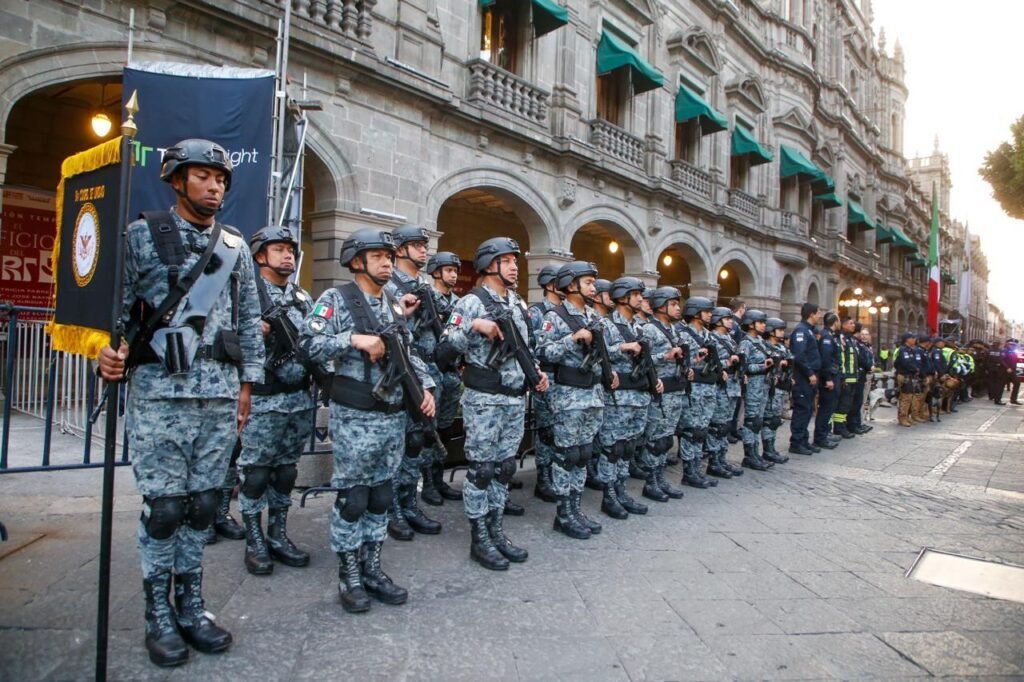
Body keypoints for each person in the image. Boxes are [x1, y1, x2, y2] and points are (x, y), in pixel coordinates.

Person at [97, 139, 264, 666]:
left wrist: (247, 385)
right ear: (176, 180)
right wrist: (106, 351)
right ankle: (158, 611)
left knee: (203, 505)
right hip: (160, 393)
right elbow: (116, 309)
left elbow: (249, 319)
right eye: (203, 176)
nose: (215, 186)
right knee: (166, 508)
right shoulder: (141, 236)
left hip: (218, 394)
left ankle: (191, 604)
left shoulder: (234, 247)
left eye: (221, 179)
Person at [300, 228, 435, 613]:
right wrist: (352, 340)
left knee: (380, 496)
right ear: (356, 261)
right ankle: (350, 574)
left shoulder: (392, 302)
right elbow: (306, 344)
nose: (387, 262)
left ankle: (372, 567)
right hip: (356, 416)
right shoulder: (336, 299)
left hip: (392, 418)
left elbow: (407, 352)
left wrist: (425, 386)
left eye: (389, 256)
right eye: (377, 256)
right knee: (354, 498)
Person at [440, 238, 548, 569]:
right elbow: (444, 349)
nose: (515, 266)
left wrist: (536, 373)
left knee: (504, 468)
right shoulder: (471, 302)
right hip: (484, 400)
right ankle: (479, 537)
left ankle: (496, 529)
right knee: (482, 470)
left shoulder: (516, 301)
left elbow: (525, 347)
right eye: (507, 261)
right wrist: (473, 326)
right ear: (490, 265)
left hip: (514, 399)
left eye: (515, 261)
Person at [237, 226, 318, 576]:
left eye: (290, 250)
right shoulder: (248, 295)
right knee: (256, 473)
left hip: (298, 399)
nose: (288, 256)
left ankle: (278, 533)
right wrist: (252, 332)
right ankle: (254, 539)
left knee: (286, 472)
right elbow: (224, 342)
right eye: (279, 249)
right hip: (263, 400)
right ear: (260, 256)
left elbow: (315, 339)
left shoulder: (302, 297)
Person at [537, 261, 613, 539]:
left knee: (582, 454)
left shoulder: (594, 317)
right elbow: (542, 352)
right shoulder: (555, 316)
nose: (594, 287)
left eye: (594, 282)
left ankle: (576, 508)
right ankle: (563, 514)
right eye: (588, 282)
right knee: (567, 455)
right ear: (571, 285)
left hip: (593, 395)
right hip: (568, 397)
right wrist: (572, 338)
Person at [384, 225, 443, 540]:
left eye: (425, 245)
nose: (424, 250)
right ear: (400, 249)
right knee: (400, 442)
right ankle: (392, 507)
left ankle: (409, 503)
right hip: (399, 373)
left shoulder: (424, 285)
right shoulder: (388, 285)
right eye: (417, 245)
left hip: (427, 372)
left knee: (418, 440)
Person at [596, 276, 656, 517]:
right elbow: (598, 355)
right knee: (613, 448)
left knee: (628, 447)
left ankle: (621, 490)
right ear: (622, 297)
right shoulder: (606, 325)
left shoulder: (638, 328)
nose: (641, 299)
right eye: (636, 295)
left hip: (639, 395)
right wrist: (622, 347)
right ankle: (608, 494)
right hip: (618, 398)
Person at [637, 287, 689, 502]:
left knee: (666, 440)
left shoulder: (674, 330)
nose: (678, 308)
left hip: (675, 390)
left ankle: (660, 478)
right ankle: (651, 482)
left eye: (678, 304)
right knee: (655, 440)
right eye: (673, 304)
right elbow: (642, 359)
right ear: (660, 306)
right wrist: (666, 356)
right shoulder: (650, 329)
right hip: (660, 392)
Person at [422, 252, 464, 505]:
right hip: (430, 369)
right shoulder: (426, 297)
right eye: (448, 270)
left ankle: (439, 478)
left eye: (455, 270)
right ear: (436, 272)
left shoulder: (459, 303)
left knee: (445, 428)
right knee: (429, 429)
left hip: (451, 372)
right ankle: (427, 482)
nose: (453, 275)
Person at [676, 296, 723, 487]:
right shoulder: (683, 335)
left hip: (708, 387)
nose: (710, 315)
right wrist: (693, 362)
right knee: (691, 430)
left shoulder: (708, 335)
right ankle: (689, 472)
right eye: (707, 312)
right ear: (695, 313)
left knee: (702, 430)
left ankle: (697, 469)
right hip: (693, 388)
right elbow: (680, 362)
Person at [528, 265, 562, 503]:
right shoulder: (538, 312)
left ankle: (556, 474)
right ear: (550, 285)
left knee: (560, 430)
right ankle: (543, 478)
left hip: (566, 380)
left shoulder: (566, 312)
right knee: (546, 431)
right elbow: (530, 346)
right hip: (546, 378)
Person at [706, 307, 745, 478]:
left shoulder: (729, 339)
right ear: (718, 321)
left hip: (733, 386)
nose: (730, 321)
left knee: (726, 425)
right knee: (718, 426)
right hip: (721, 386)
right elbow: (708, 362)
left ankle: (722, 458)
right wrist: (727, 363)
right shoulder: (712, 338)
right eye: (727, 319)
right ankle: (714, 461)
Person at [737, 309, 779, 469]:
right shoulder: (746, 343)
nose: (763, 326)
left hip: (764, 385)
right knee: (751, 421)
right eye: (760, 322)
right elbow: (744, 367)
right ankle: (749, 456)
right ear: (751, 324)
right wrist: (762, 367)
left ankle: (755, 453)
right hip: (753, 386)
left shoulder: (760, 341)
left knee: (758, 421)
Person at [788, 303, 822, 455]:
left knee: (807, 410)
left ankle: (803, 440)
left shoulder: (809, 330)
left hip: (809, 377)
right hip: (803, 378)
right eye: (818, 313)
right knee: (802, 410)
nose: (819, 316)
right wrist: (809, 373)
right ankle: (796, 442)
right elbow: (799, 356)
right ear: (811, 314)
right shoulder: (801, 331)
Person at [761, 318, 792, 461]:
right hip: (770, 389)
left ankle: (771, 448)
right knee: (768, 420)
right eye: (779, 330)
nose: (782, 333)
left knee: (775, 420)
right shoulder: (765, 347)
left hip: (781, 388)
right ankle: (767, 450)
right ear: (771, 331)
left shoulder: (782, 347)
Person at [813, 312, 841, 450]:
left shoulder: (830, 335)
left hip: (832, 375)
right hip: (828, 377)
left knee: (829, 408)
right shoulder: (826, 337)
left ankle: (824, 434)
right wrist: (828, 378)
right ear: (835, 322)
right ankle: (820, 437)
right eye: (839, 320)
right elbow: (825, 359)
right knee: (825, 408)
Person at [832, 317, 858, 439]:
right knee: (842, 405)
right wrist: (843, 377)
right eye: (851, 323)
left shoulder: (851, 339)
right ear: (843, 325)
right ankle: (839, 428)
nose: (853, 325)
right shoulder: (841, 338)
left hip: (853, 377)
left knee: (847, 405)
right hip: (846, 378)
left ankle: (843, 425)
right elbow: (842, 359)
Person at [894, 332, 923, 426]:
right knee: (905, 397)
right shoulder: (903, 350)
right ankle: (902, 417)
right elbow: (905, 363)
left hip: (910, 375)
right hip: (904, 375)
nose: (914, 340)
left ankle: (906, 416)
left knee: (910, 397)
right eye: (912, 338)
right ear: (907, 339)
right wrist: (915, 369)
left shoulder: (911, 350)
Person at [850, 326, 874, 433]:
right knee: (857, 401)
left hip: (867, 375)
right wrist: (869, 367)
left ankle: (861, 422)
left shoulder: (867, 346)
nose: (864, 336)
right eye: (862, 334)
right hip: (860, 374)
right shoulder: (857, 345)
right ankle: (857, 423)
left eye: (866, 334)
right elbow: (861, 360)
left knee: (863, 401)